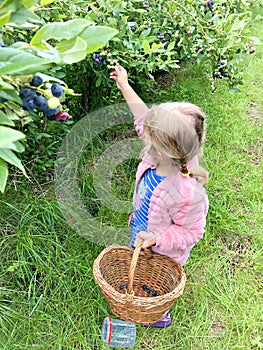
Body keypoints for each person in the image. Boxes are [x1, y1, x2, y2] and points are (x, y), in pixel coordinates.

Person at [110, 65, 209, 328]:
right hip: (141, 230)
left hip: (163, 248)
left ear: (166, 149)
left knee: (158, 280)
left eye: (149, 135)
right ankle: (137, 284)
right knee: (139, 264)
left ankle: (157, 313)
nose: (143, 133)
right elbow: (142, 118)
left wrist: (158, 239)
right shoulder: (161, 154)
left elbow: (192, 232)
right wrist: (124, 85)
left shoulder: (186, 190)